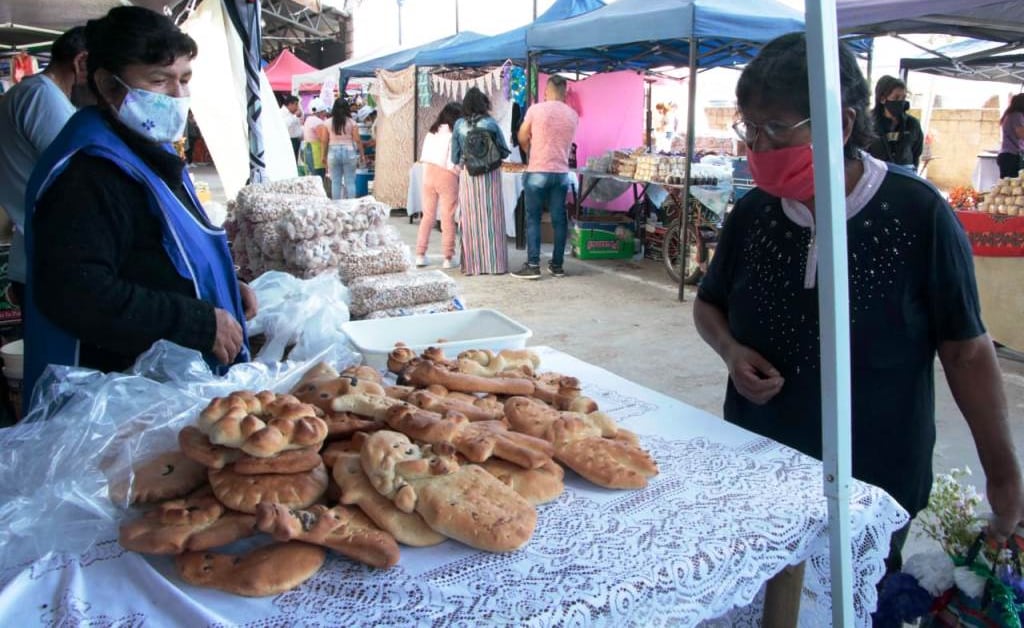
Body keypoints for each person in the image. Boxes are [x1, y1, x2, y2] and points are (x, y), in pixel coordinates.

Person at [693, 33, 1023, 570]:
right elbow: (709, 306)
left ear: (840, 125)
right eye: (748, 127)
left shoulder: (916, 214)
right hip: (758, 463)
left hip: (875, 474)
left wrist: (1004, 475)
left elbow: (966, 351)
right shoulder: (754, 213)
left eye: (774, 128)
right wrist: (730, 350)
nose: (755, 146)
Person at [23, 6, 256, 407]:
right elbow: (79, 292)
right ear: (107, 85)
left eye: (184, 79)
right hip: (114, 401)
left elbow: (153, 250)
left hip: (164, 388)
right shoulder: (88, 172)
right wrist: (197, 320)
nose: (178, 96)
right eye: (158, 81)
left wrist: (219, 286)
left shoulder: (146, 149)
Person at [0, 27, 89, 304]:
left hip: (40, 255)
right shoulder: (41, 96)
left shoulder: (35, 93)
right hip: (49, 258)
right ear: (82, 63)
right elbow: (81, 172)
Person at [513, 75, 578, 280]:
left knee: (533, 218)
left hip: (538, 169)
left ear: (547, 91)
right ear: (565, 93)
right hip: (561, 173)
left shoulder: (535, 110)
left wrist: (529, 150)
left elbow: (522, 135)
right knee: (559, 220)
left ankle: (533, 265)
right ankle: (557, 265)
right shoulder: (572, 115)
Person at [451, 87, 511, 275]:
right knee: (492, 220)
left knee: (471, 221)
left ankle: (472, 266)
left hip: (469, 176)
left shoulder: (459, 125)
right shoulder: (490, 123)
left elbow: (455, 157)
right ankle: (495, 265)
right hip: (490, 176)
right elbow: (503, 149)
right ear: (484, 104)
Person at [416, 102, 462, 269]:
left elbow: (424, 155)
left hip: (428, 172)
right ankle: (448, 257)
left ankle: (420, 254)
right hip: (446, 175)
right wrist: (459, 172)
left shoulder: (431, 132)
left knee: (427, 216)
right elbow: (453, 161)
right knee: (447, 217)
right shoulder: (454, 133)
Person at [867, 75, 924, 170]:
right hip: (878, 176)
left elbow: (916, 152)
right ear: (882, 99)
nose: (901, 102)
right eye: (896, 98)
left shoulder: (912, 124)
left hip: (904, 176)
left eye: (903, 98)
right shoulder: (868, 124)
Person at [324, 98, 363, 200]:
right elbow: (357, 140)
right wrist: (362, 155)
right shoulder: (352, 123)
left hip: (333, 151)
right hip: (349, 151)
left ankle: (337, 208)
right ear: (347, 108)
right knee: (350, 181)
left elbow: (324, 141)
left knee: (335, 182)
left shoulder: (327, 123)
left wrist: (323, 156)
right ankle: (351, 206)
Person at [997, 93, 1024, 179]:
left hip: (1006, 155)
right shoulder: (1017, 115)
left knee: (1007, 185)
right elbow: (1021, 134)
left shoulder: (1009, 115)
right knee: (1012, 185)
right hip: (1011, 156)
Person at [301, 97, 329, 177]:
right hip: (316, 155)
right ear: (320, 112)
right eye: (324, 112)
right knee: (318, 177)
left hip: (310, 153)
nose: (325, 114)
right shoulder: (317, 122)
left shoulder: (309, 119)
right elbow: (324, 140)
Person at [280, 95, 303, 160]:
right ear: (290, 104)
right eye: (296, 104)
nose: (297, 107)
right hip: (289, 140)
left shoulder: (292, 113)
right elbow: (285, 124)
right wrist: (295, 116)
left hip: (297, 140)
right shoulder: (282, 112)